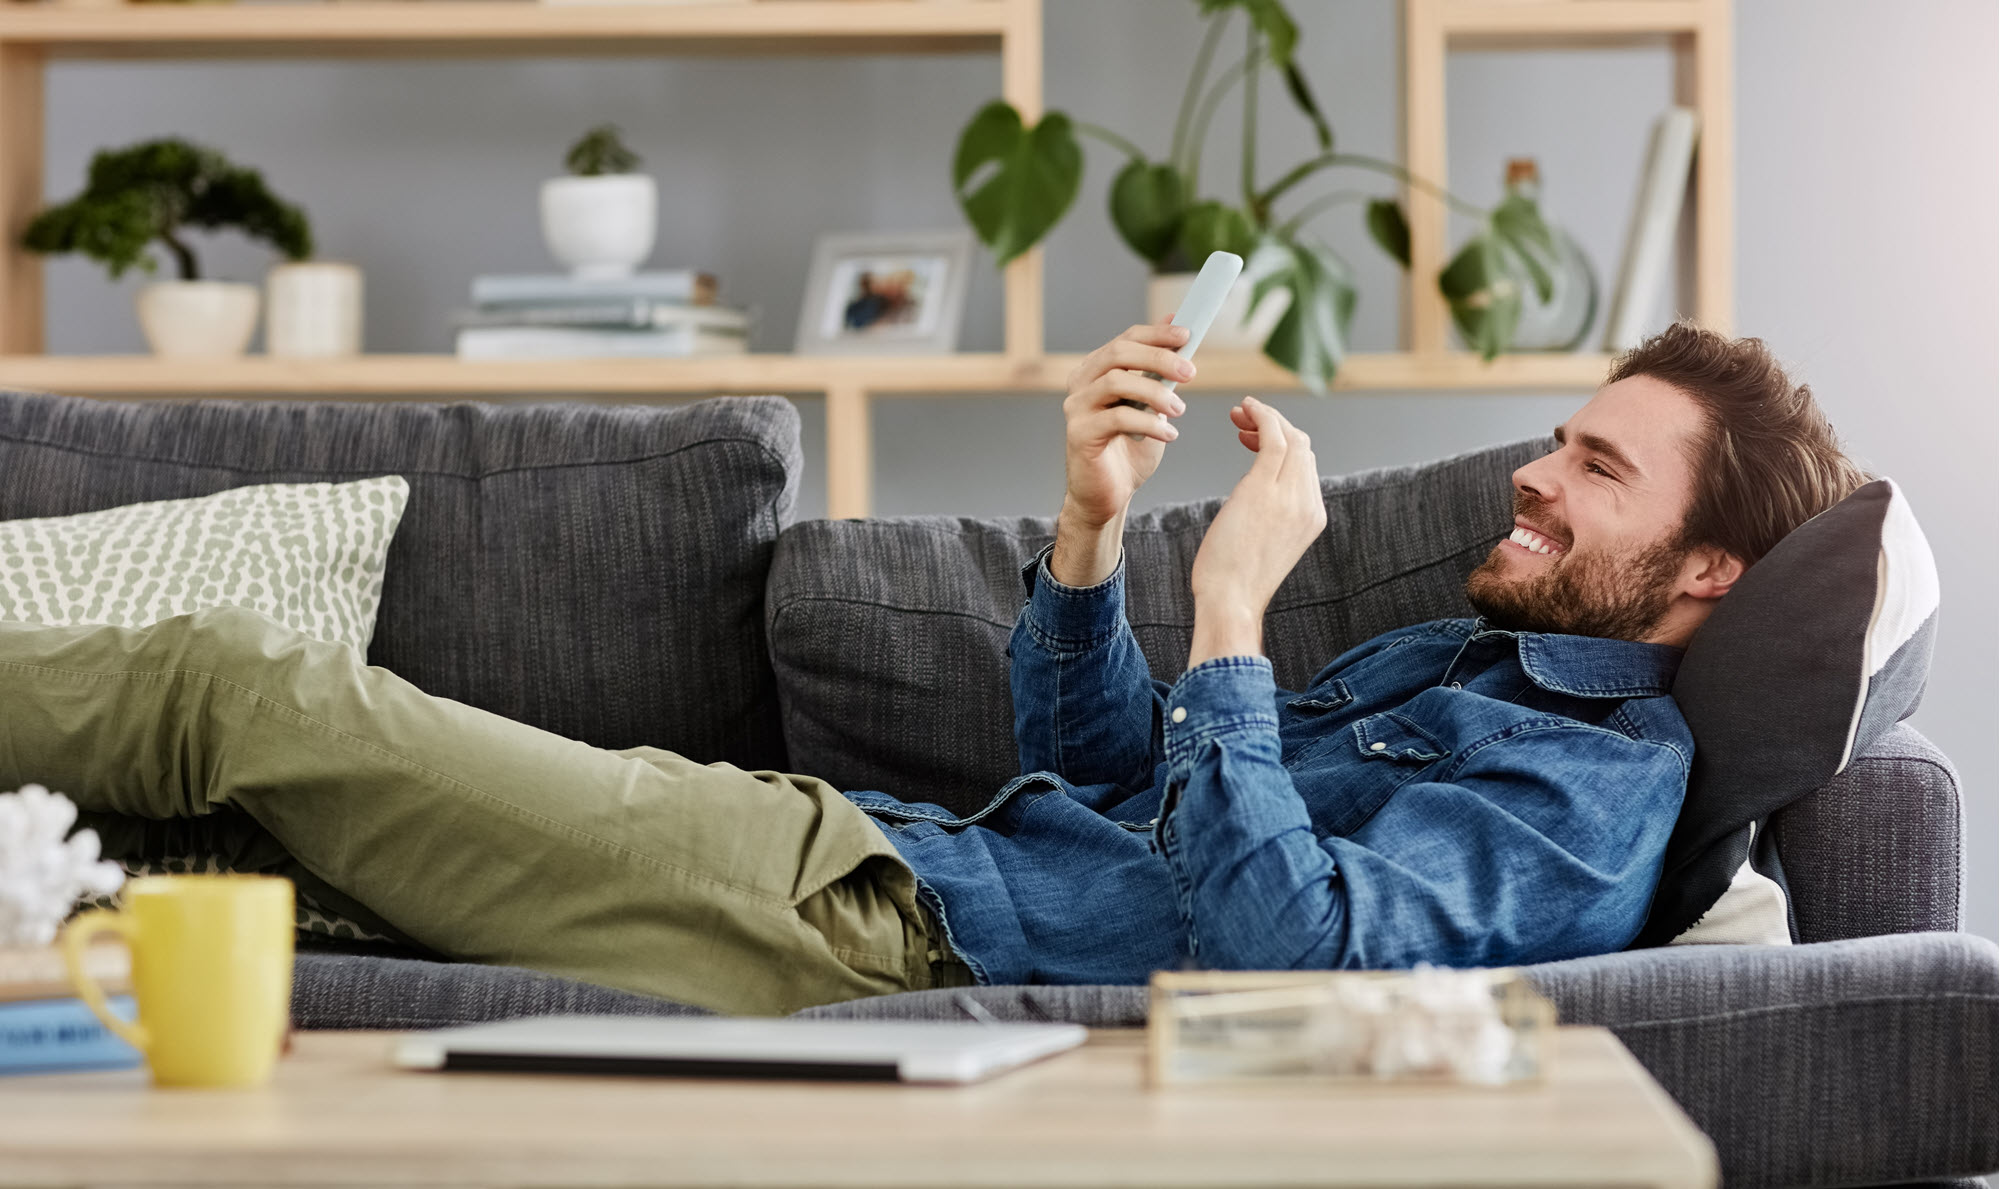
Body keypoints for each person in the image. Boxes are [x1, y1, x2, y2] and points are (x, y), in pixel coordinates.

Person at [10, 320, 1865, 1016]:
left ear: (1708, 571)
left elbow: (1283, 956)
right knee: (261, 799)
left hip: (860, 918)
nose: (1535, 468)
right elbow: (1128, 790)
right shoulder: (1476, 660)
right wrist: (1088, 535)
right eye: (1562, 431)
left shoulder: (1593, 791)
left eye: (1598, 467)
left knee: (245, 690)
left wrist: (1230, 616)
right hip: (855, 852)